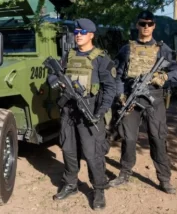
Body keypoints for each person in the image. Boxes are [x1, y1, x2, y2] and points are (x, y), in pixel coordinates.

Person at [108, 10, 177, 194]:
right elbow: (117, 75)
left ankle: (164, 179)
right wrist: (120, 95)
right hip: (131, 98)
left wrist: (165, 76)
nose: (146, 27)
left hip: (154, 99)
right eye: (142, 23)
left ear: (154, 26)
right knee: (128, 138)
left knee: (158, 139)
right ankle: (125, 173)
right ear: (137, 25)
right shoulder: (126, 49)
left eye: (149, 24)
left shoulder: (162, 49)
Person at [48, 18, 116, 210]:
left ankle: (99, 189)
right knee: (68, 149)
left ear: (91, 35)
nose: (78, 35)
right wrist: (53, 79)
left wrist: (100, 112)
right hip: (68, 110)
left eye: (82, 32)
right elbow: (54, 73)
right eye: (76, 32)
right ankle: (71, 184)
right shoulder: (68, 56)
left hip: (90, 111)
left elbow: (110, 89)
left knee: (92, 153)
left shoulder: (101, 59)